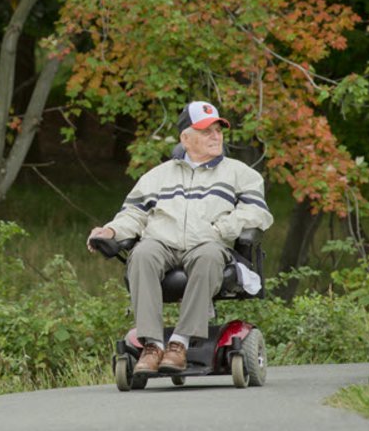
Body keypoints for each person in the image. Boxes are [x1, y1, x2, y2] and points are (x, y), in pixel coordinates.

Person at [87, 101, 273, 375]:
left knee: (209, 255)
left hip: (207, 243)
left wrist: (223, 228)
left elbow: (258, 212)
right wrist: (111, 231)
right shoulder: (157, 177)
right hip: (162, 243)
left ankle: (179, 343)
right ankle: (151, 345)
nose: (215, 136)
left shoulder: (240, 174)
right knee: (142, 254)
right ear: (186, 138)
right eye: (206, 131)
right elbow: (133, 215)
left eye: (218, 130)